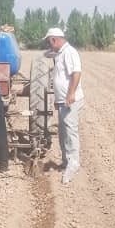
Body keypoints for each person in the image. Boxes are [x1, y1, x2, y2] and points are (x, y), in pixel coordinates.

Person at [44, 27, 84, 184]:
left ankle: (73, 164)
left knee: (70, 130)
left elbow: (76, 73)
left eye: (49, 42)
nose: (49, 45)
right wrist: (57, 99)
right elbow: (60, 77)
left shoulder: (69, 52)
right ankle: (66, 161)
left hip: (70, 100)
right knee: (62, 132)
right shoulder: (60, 54)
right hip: (63, 100)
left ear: (54, 39)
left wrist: (71, 94)